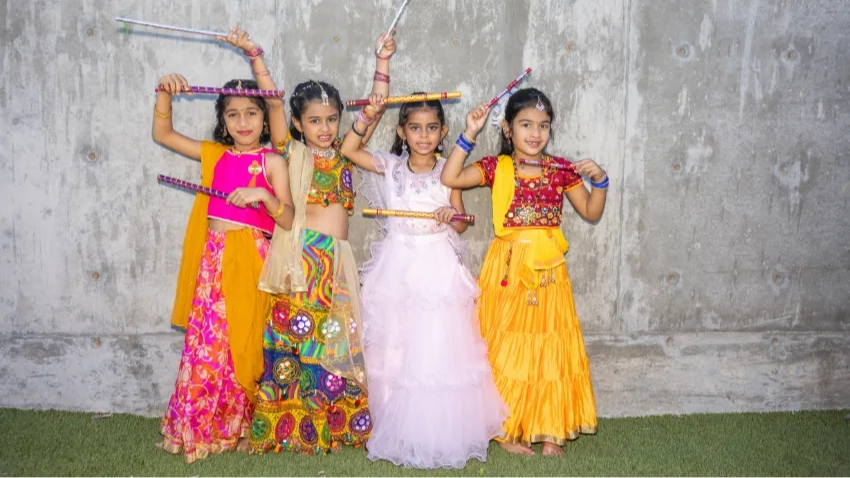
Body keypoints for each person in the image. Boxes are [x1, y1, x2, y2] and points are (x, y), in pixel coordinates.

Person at [440, 88, 608, 456]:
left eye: (543, 126)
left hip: (550, 275)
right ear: (507, 129)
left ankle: (550, 431)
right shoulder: (495, 167)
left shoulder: (562, 170)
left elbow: (592, 212)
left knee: (551, 347)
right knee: (506, 349)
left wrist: (602, 181)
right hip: (509, 273)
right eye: (526, 125)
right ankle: (508, 430)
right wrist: (470, 131)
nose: (535, 133)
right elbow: (450, 177)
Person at [152, 71, 294, 463]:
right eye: (234, 114)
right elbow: (163, 134)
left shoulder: (272, 161)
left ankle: (247, 425)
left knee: (245, 344)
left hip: (252, 260)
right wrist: (164, 94)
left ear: (265, 120)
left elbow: (287, 220)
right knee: (208, 347)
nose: (243, 122)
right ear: (223, 120)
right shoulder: (215, 155)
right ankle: (203, 426)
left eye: (252, 113)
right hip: (213, 260)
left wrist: (263, 194)